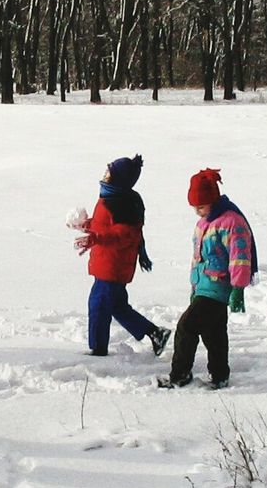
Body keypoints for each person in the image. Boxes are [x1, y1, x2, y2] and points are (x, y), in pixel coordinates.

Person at [158, 168, 256, 390]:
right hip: (203, 286)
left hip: (219, 287)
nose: (197, 212)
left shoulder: (232, 222)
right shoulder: (203, 224)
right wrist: (194, 285)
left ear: (213, 199)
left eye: (201, 206)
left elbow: (240, 256)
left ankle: (180, 375)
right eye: (194, 207)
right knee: (214, 333)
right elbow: (198, 257)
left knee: (186, 326)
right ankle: (220, 375)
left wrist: (237, 288)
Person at [70, 154, 169, 358]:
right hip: (109, 263)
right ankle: (155, 333)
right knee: (117, 306)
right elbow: (106, 226)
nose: (105, 175)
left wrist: (95, 238)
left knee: (98, 304)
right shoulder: (111, 197)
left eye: (109, 172)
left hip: (113, 266)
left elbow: (124, 234)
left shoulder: (122, 203)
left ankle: (98, 350)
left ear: (119, 179)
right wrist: (86, 225)